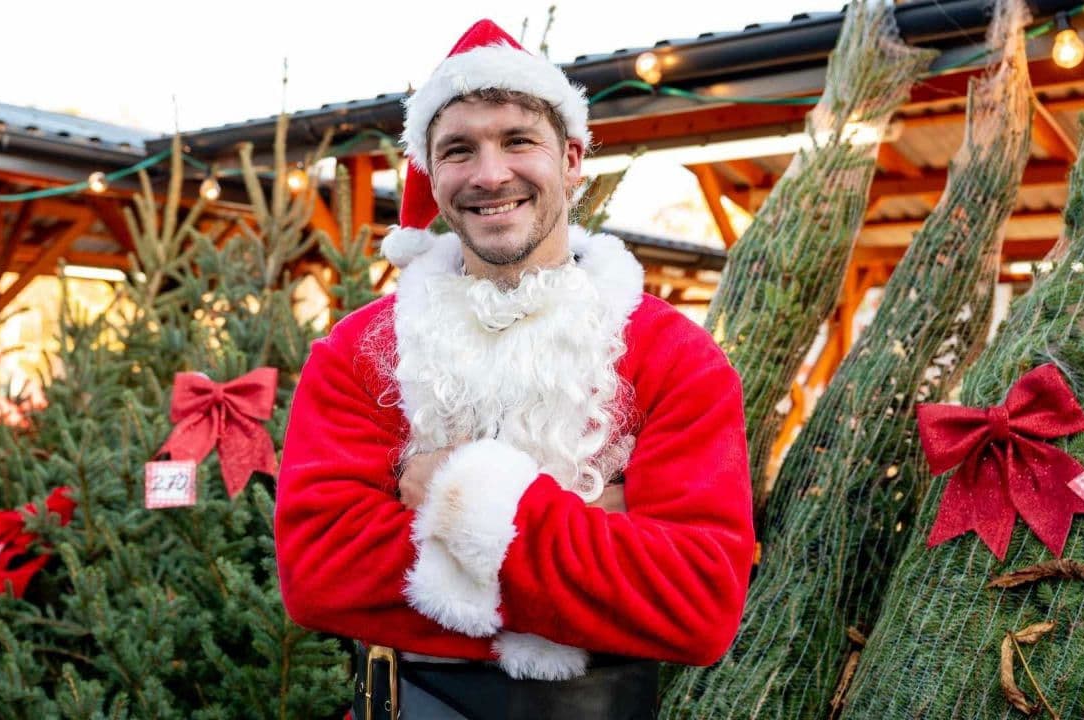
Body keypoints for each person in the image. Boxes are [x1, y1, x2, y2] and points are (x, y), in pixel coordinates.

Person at [275, 18, 754, 720]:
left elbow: (695, 604)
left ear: (571, 160)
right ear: (431, 172)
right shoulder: (359, 349)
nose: (489, 174)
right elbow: (320, 573)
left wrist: (465, 500)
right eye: (458, 150)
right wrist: (588, 531)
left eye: (518, 140)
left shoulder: (674, 354)